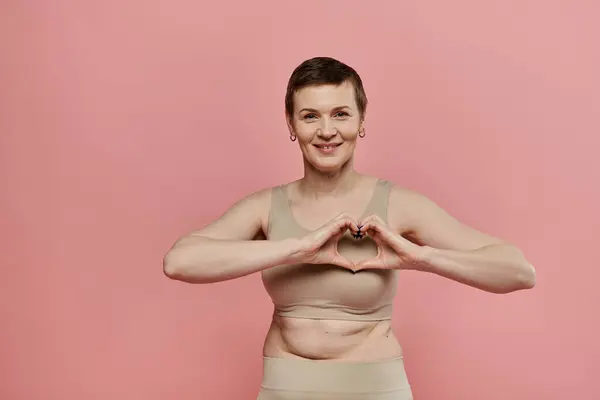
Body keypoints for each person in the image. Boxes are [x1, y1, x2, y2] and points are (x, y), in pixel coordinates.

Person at [163, 56, 536, 400]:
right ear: (291, 123)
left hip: (377, 388)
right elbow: (180, 262)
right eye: (310, 116)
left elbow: (518, 271)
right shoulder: (265, 207)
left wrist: (419, 258)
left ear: (361, 120)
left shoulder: (397, 203)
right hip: (285, 387)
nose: (327, 131)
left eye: (340, 114)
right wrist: (300, 248)